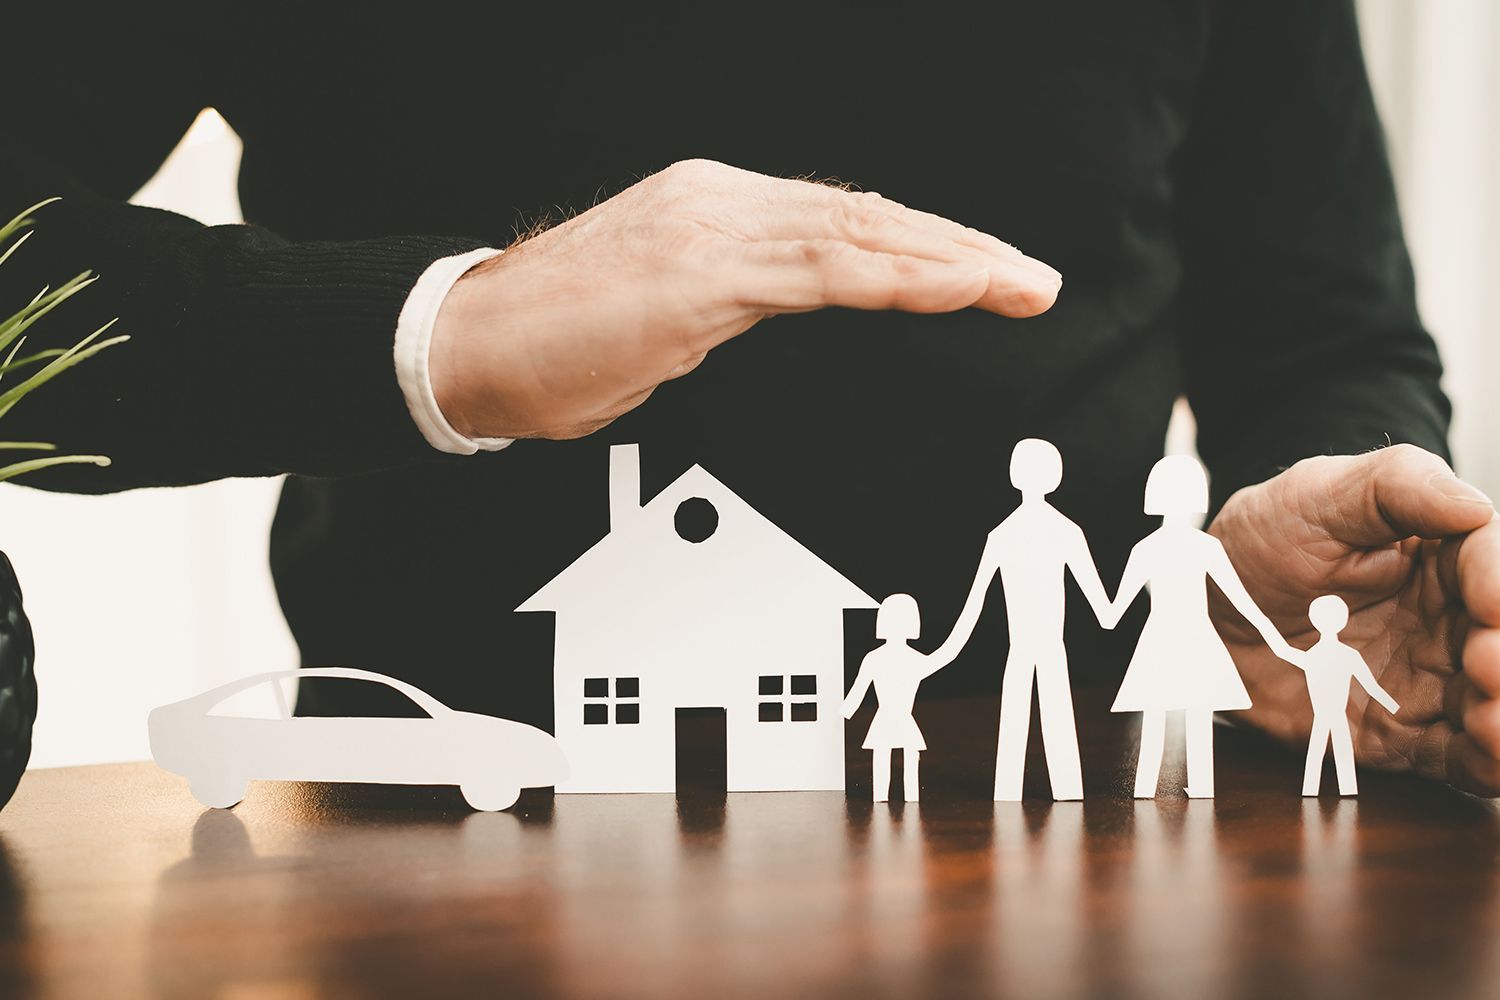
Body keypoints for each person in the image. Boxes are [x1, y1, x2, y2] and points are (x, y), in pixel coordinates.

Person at [6, 3, 1500, 796]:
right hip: (433, 857)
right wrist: (445, 329)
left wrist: (1322, 540)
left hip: (1060, 841)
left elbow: (1322, 327)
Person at [1106, 456, 1297, 798]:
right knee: (1195, 712)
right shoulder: (1205, 546)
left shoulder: (1146, 549)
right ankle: (1196, 786)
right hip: (1195, 636)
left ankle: (1146, 787)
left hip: (1163, 638)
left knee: (1155, 713)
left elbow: (1111, 614)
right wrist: (1274, 637)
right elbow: (1241, 601)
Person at [940, 438, 1111, 801]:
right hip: (1047, 648)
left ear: (1014, 475)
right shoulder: (1066, 531)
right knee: (1056, 719)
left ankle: (1014, 792)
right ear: (1056, 477)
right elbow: (1104, 610)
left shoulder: (1001, 535)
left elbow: (972, 606)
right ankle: (1064, 790)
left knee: (1015, 723)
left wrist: (941, 655)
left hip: (1023, 650)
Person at [843, 594, 959, 802]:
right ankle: (895, 797)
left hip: (896, 718)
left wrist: (845, 711)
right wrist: (844, 711)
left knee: (894, 758)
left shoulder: (879, 658)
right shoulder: (900, 659)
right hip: (892, 718)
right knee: (896, 759)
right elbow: (946, 654)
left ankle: (900, 797)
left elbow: (857, 691)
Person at [1288, 595, 1401, 796]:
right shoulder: (1334, 655)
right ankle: (1323, 789)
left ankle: (1323, 789)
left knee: (1321, 754)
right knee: (1330, 753)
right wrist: (1392, 706)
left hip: (1330, 715)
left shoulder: (1317, 656)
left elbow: (1370, 686)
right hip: (1326, 715)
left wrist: (1393, 706)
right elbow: (1371, 686)